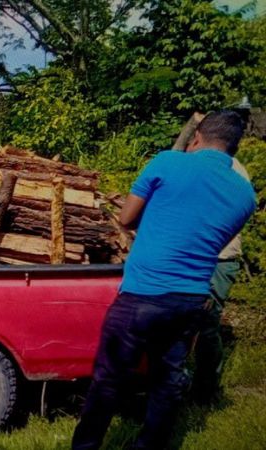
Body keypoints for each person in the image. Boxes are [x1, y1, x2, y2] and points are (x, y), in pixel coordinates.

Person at [71, 111, 256, 450]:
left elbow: (126, 219)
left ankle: (86, 446)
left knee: (109, 379)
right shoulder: (246, 194)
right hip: (190, 299)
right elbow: (205, 238)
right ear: (234, 147)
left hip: (141, 294)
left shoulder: (167, 162)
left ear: (197, 136)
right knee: (167, 380)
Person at [191, 157, 250, 405]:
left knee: (207, 323)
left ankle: (205, 392)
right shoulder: (192, 163)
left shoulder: (233, 169)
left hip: (219, 257)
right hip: (191, 254)